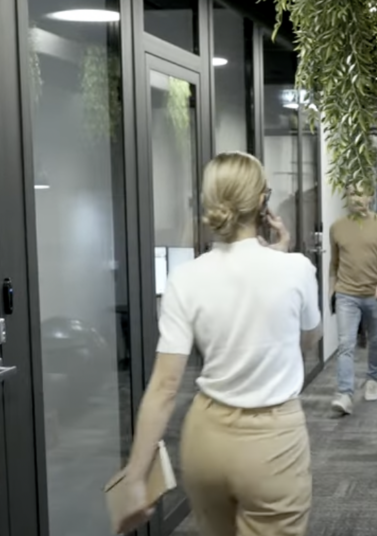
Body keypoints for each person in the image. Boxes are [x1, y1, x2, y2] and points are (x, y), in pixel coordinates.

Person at [115, 152, 322, 536]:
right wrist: (283, 254)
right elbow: (309, 340)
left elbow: (163, 387)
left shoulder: (187, 278)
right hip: (272, 442)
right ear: (262, 202)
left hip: (206, 440)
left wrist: (135, 476)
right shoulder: (296, 270)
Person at [328, 185, 377, 416]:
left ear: (370, 196)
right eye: (352, 193)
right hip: (347, 293)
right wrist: (332, 290)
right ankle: (345, 393)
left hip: (375, 294)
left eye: (361, 193)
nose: (357, 198)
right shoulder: (337, 227)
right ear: (346, 197)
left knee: (376, 341)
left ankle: (372, 379)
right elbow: (334, 264)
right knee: (345, 344)